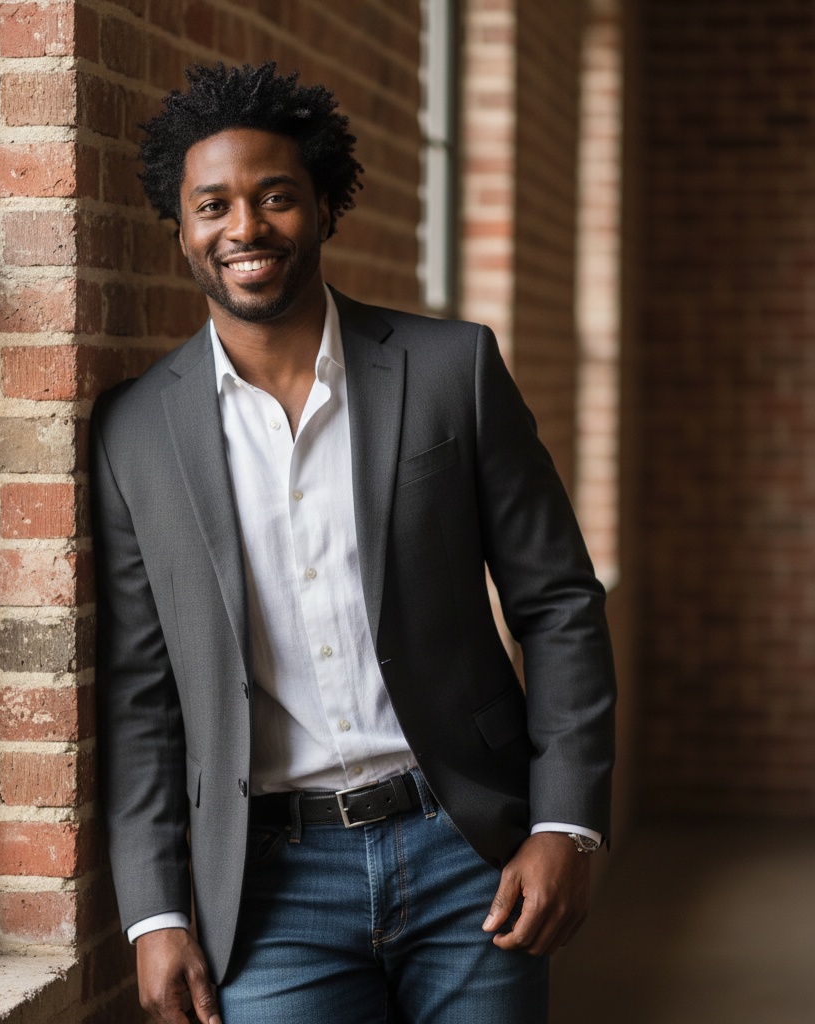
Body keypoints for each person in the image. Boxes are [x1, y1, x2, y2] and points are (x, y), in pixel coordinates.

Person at [91, 62, 616, 1024]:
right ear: (180, 230)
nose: (245, 227)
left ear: (325, 207)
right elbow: (139, 692)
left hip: (469, 849)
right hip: (270, 889)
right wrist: (154, 913)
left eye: (275, 196)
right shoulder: (135, 433)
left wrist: (566, 821)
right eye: (213, 205)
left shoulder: (451, 370)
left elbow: (558, 601)